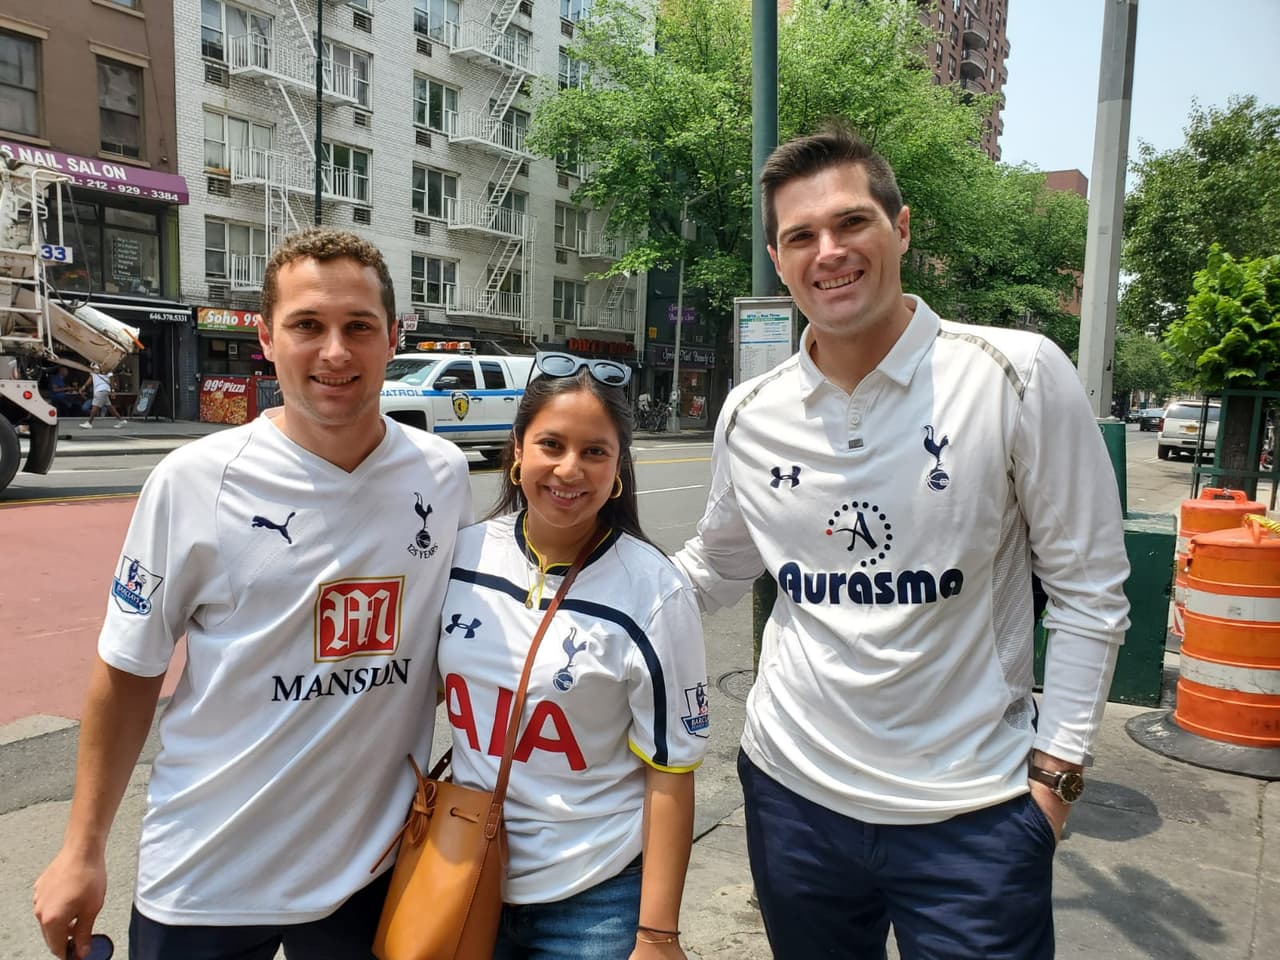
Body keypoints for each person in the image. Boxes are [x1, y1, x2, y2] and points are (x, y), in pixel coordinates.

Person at [673, 125, 1131, 959]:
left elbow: (1089, 590)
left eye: (852, 223)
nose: (830, 252)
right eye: (801, 236)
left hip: (974, 819)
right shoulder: (750, 411)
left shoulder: (1014, 372)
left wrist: (1055, 781)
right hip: (792, 800)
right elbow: (715, 565)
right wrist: (573, 586)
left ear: (903, 228)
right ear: (779, 260)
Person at [33, 227, 474, 960]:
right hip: (206, 875)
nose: (335, 352)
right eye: (308, 326)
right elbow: (127, 669)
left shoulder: (442, 473)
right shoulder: (194, 480)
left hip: (369, 875)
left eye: (358, 327)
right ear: (266, 338)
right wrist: (82, 848)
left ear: (394, 337)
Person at [437, 352, 708, 959]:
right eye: (551, 445)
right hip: (463, 875)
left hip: (595, 900)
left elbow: (671, 768)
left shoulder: (654, 590)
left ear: (617, 469)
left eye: (594, 452)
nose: (568, 469)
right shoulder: (461, 556)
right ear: (517, 450)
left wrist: (658, 935)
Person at [79, 363, 128, 429]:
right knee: (110, 407)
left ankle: (89, 422)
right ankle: (121, 420)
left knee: (95, 405)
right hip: (100, 390)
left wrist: (113, 391)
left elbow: (112, 379)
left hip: (102, 389)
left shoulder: (106, 367)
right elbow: (91, 378)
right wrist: (84, 387)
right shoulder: (93, 365)